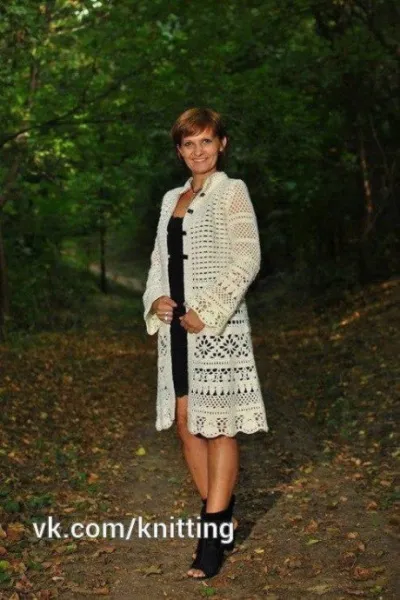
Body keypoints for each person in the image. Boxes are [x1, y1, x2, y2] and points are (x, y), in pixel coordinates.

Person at [142, 107, 269, 579]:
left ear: (222, 144)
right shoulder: (170, 198)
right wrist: (156, 299)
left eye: (206, 141)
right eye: (189, 143)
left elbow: (248, 257)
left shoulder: (232, 191)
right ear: (179, 150)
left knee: (219, 427)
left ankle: (211, 537)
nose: (198, 151)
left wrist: (209, 310)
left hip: (215, 329)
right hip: (175, 331)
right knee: (185, 423)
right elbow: (158, 260)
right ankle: (224, 515)